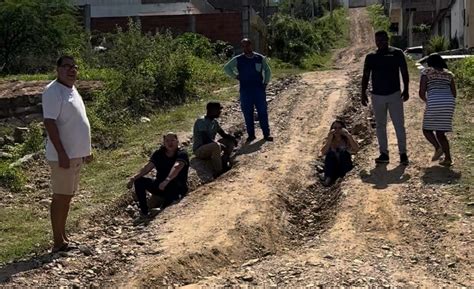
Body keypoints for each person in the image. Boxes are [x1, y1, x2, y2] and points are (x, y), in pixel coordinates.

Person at [42, 55, 93, 252]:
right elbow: (50, 122)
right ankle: (57, 241)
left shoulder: (72, 89)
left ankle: (63, 237)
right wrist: (62, 153)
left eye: (74, 66)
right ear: (58, 69)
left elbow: (78, 122)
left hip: (75, 155)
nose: (72, 70)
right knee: (60, 196)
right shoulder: (53, 92)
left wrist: (86, 150)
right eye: (67, 66)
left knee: (68, 196)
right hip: (63, 156)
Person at [361, 30, 410, 165]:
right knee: (380, 126)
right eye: (378, 40)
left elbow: (404, 72)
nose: (380, 43)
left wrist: (406, 89)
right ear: (375, 41)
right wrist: (362, 93)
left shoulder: (397, 53)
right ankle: (384, 154)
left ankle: (403, 154)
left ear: (388, 39)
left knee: (399, 125)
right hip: (377, 96)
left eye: (383, 40)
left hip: (394, 94)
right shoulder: (371, 57)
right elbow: (365, 75)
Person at [127, 133, 189, 218]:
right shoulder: (159, 153)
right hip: (161, 186)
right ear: (163, 142)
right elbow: (147, 168)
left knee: (173, 185)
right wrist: (134, 178)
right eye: (167, 141)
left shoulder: (182, 154)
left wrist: (166, 181)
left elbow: (177, 167)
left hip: (176, 187)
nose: (170, 143)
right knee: (139, 182)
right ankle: (144, 212)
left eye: (172, 140)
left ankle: (163, 208)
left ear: (177, 142)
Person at [224, 38, 273, 143]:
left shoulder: (259, 58)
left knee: (262, 112)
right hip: (245, 91)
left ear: (251, 45)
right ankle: (251, 135)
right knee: (247, 113)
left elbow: (267, 70)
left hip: (259, 90)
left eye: (247, 45)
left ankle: (266, 134)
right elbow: (227, 68)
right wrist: (235, 76)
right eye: (243, 46)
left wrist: (265, 83)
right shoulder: (238, 59)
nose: (245, 47)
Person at [419, 54, 457, 166]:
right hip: (449, 102)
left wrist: (428, 101)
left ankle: (437, 147)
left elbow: (422, 92)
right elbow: (454, 93)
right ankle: (448, 159)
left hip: (434, 101)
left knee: (426, 129)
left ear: (430, 62)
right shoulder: (449, 74)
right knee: (441, 133)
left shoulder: (426, 72)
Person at [193, 102, 236, 178]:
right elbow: (205, 139)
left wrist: (233, 138)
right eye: (218, 110)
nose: (220, 112)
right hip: (200, 149)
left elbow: (223, 134)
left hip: (211, 146)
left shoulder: (214, 122)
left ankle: (224, 161)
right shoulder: (201, 121)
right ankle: (219, 171)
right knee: (216, 145)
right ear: (211, 110)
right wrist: (221, 146)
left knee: (229, 141)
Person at [320, 120, 359, 186]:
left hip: (344, 166)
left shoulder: (346, 139)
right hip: (333, 168)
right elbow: (323, 152)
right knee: (330, 155)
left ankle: (345, 178)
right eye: (335, 128)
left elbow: (356, 149)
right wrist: (329, 139)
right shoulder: (329, 139)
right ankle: (328, 178)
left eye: (340, 128)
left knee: (344, 154)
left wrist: (349, 136)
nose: (337, 130)